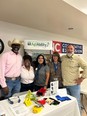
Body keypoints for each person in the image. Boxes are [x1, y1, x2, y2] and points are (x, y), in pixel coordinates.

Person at [61, 44, 87, 112]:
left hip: (74, 85)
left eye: (71, 49)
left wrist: (81, 78)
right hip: (65, 85)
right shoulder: (63, 58)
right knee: (69, 103)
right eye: (68, 49)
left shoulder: (77, 58)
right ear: (66, 50)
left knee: (76, 102)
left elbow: (86, 67)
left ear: (73, 50)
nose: (69, 50)